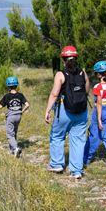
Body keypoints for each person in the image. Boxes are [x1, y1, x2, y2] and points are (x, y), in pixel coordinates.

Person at [43, 46, 90, 179]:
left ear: (63, 59)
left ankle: (57, 164)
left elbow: (54, 94)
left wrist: (47, 111)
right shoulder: (83, 73)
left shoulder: (60, 74)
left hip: (64, 109)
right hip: (81, 111)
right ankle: (76, 171)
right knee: (78, 140)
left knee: (57, 135)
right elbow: (86, 91)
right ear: (76, 58)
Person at [0, 76, 29, 158]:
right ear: (17, 85)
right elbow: (27, 105)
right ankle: (12, 150)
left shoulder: (7, 96)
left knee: (10, 134)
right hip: (18, 116)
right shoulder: (20, 95)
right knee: (14, 132)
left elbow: (0, 106)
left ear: (8, 86)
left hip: (11, 116)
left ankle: (15, 148)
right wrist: (22, 111)